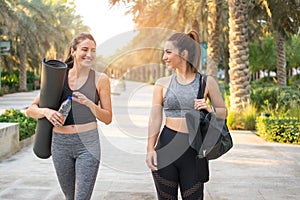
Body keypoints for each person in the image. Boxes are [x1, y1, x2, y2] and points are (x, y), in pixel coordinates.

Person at [26, 32, 112, 200]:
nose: (89, 54)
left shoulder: (100, 79)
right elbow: (31, 109)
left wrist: (89, 103)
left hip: (88, 144)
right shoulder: (58, 77)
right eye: (85, 49)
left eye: (93, 50)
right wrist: (46, 112)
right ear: (73, 51)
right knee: (69, 197)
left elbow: (108, 118)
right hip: (60, 145)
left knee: (81, 197)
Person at [145, 30, 227, 199]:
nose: (164, 57)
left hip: (194, 150)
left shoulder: (206, 82)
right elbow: (155, 118)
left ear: (184, 53)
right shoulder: (162, 84)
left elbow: (223, 112)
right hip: (166, 146)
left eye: (168, 52)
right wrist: (150, 149)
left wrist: (209, 108)